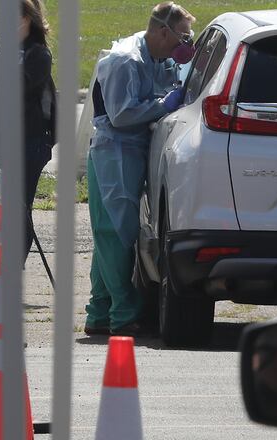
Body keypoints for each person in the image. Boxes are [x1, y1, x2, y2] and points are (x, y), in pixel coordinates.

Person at [84, 1, 194, 336]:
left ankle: (99, 313)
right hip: (113, 152)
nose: (186, 45)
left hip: (133, 150)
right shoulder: (124, 61)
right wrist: (164, 105)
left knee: (113, 234)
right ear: (163, 31)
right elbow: (121, 115)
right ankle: (123, 315)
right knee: (117, 234)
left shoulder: (159, 58)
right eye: (183, 37)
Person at [0, 0, 56, 260]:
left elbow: (21, 83)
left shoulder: (38, 53)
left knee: (17, 205)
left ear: (25, 18)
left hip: (28, 139)